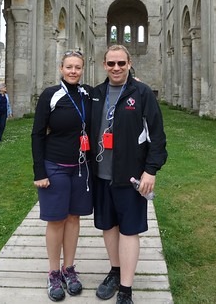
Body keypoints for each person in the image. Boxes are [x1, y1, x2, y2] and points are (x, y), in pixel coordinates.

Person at [91, 44, 168, 304]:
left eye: (121, 63)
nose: (116, 68)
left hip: (131, 177)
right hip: (102, 175)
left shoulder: (142, 92)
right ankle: (114, 271)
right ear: (104, 65)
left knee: (129, 230)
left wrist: (150, 170)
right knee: (108, 226)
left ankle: (126, 289)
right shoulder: (96, 94)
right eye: (111, 63)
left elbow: (157, 136)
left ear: (129, 63)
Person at [31, 50, 93, 302]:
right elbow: (37, 134)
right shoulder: (50, 95)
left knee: (73, 217)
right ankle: (54, 272)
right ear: (61, 68)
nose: (73, 71)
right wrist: (39, 172)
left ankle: (69, 268)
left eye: (77, 67)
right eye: (69, 67)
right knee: (56, 220)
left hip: (80, 167)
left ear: (82, 69)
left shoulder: (88, 95)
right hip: (54, 166)